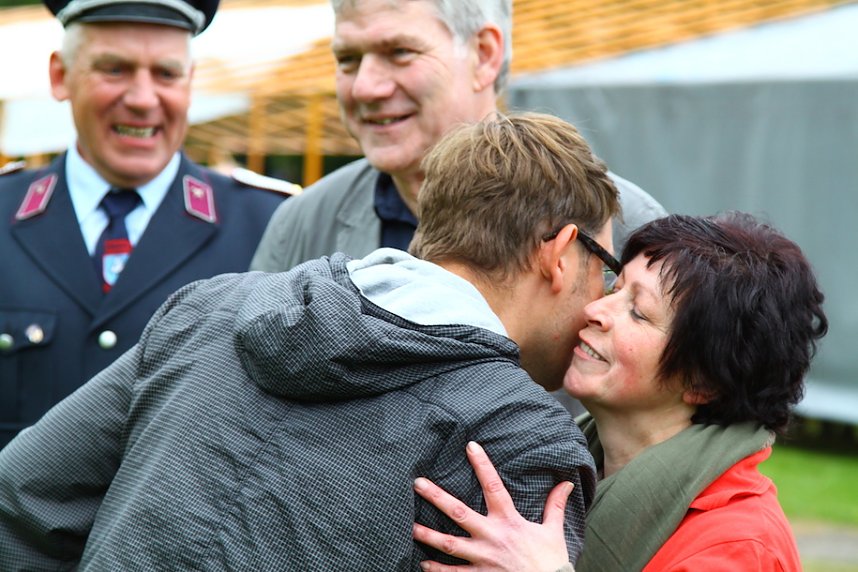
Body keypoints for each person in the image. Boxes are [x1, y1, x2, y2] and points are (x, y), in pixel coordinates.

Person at [0, 112, 619, 569]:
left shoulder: (209, 307)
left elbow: (23, 497)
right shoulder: (522, 439)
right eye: (605, 268)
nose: (603, 302)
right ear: (561, 254)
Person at [412, 212, 828, 571]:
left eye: (638, 312)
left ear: (703, 382)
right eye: (615, 288)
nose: (595, 311)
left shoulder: (739, 547)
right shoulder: (547, 462)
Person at [0, 0, 296, 447]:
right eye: (114, 69)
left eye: (166, 74)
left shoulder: (272, 225)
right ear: (60, 77)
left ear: (190, 83)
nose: (142, 99)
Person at [249, 0, 666, 274]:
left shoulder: (625, 223)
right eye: (347, 59)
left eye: (399, 52)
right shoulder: (301, 226)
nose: (364, 88)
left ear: (484, 54)